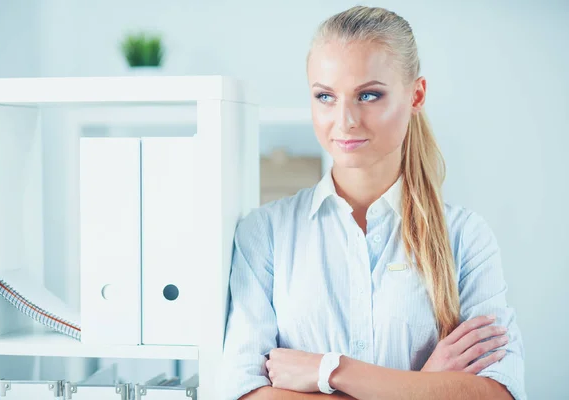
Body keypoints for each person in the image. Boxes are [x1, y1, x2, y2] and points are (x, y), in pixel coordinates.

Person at [220, 5, 525, 400]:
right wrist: (423, 385)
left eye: (368, 95)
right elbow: (244, 393)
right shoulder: (265, 234)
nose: (344, 120)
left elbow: (498, 394)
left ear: (416, 95)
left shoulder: (466, 238)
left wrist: (332, 371)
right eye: (325, 96)